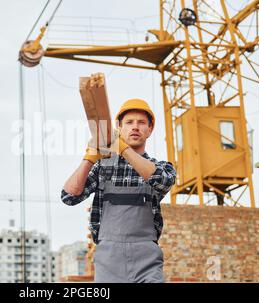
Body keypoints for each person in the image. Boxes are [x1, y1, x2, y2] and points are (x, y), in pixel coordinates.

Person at [61, 98, 176, 283]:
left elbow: (161, 182)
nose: (135, 127)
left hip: (146, 260)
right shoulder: (102, 167)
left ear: (150, 130)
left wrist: (122, 149)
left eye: (141, 123)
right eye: (129, 122)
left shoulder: (161, 168)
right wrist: (89, 158)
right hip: (109, 262)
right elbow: (68, 196)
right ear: (119, 128)